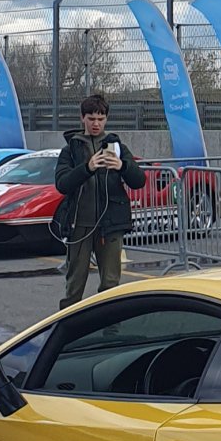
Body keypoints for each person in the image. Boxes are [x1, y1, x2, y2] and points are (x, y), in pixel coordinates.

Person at [53, 93, 146, 309]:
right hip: (80, 225)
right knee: (75, 283)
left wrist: (122, 166)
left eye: (101, 118)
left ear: (106, 119)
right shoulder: (71, 149)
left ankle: (108, 327)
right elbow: (62, 184)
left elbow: (139, 181)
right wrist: (88, 168)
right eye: (92, 118)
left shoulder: (116, 145)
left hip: (110, 224)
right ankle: (68, 327)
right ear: (82, 118)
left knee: (111, 283)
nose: (96, 123)